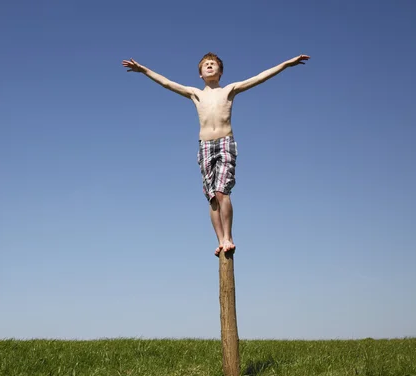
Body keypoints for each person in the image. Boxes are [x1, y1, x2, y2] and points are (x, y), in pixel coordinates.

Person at [122, 52, 310, 256]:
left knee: (222, 192)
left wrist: (286, 64)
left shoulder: (229, 90)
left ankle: (229, 237)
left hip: (225, 142)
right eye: (205, 64)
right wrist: (144, 70)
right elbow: (167, 83)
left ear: (220, 71)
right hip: (205, 145)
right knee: (212, 197)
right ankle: (220, 240)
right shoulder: (195, 93)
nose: (209, 66)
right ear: (200, 74)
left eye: (213, 64)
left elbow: (259, 77)